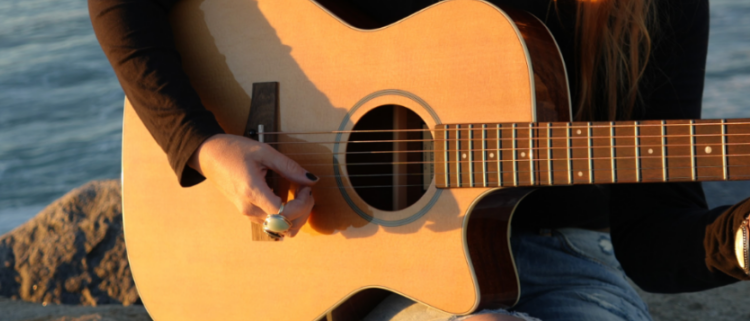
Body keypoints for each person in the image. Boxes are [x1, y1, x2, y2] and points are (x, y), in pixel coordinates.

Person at [88, 0, 750, 319]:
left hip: (566, 266)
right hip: (369, 271)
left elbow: (653, 234)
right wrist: (203, 143)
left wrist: (739, 241)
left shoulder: (654, 9)